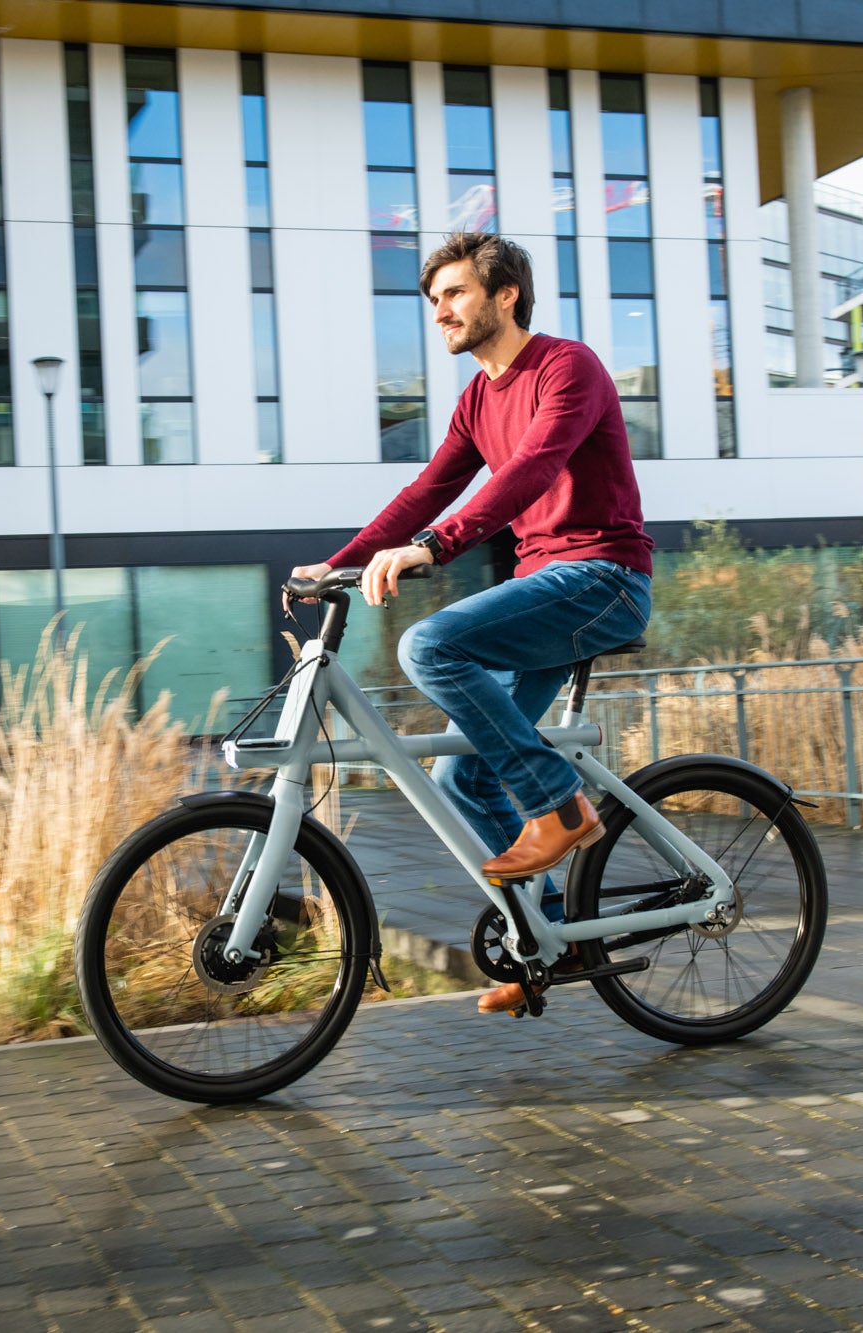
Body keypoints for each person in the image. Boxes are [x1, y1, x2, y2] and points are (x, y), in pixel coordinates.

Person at [289, 232, 653, 1016]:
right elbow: (426, 489)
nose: (439, 312)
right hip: (546, 587)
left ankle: (560, 807)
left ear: (505, 295)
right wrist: (340, 562)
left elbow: (532, 471)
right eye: (433, 301)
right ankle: (554, 939)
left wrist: (434, 548)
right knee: (463, 774)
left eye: (453, 294)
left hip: (604, 579)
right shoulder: (475, 399)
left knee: (431, 643)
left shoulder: (568, 367)